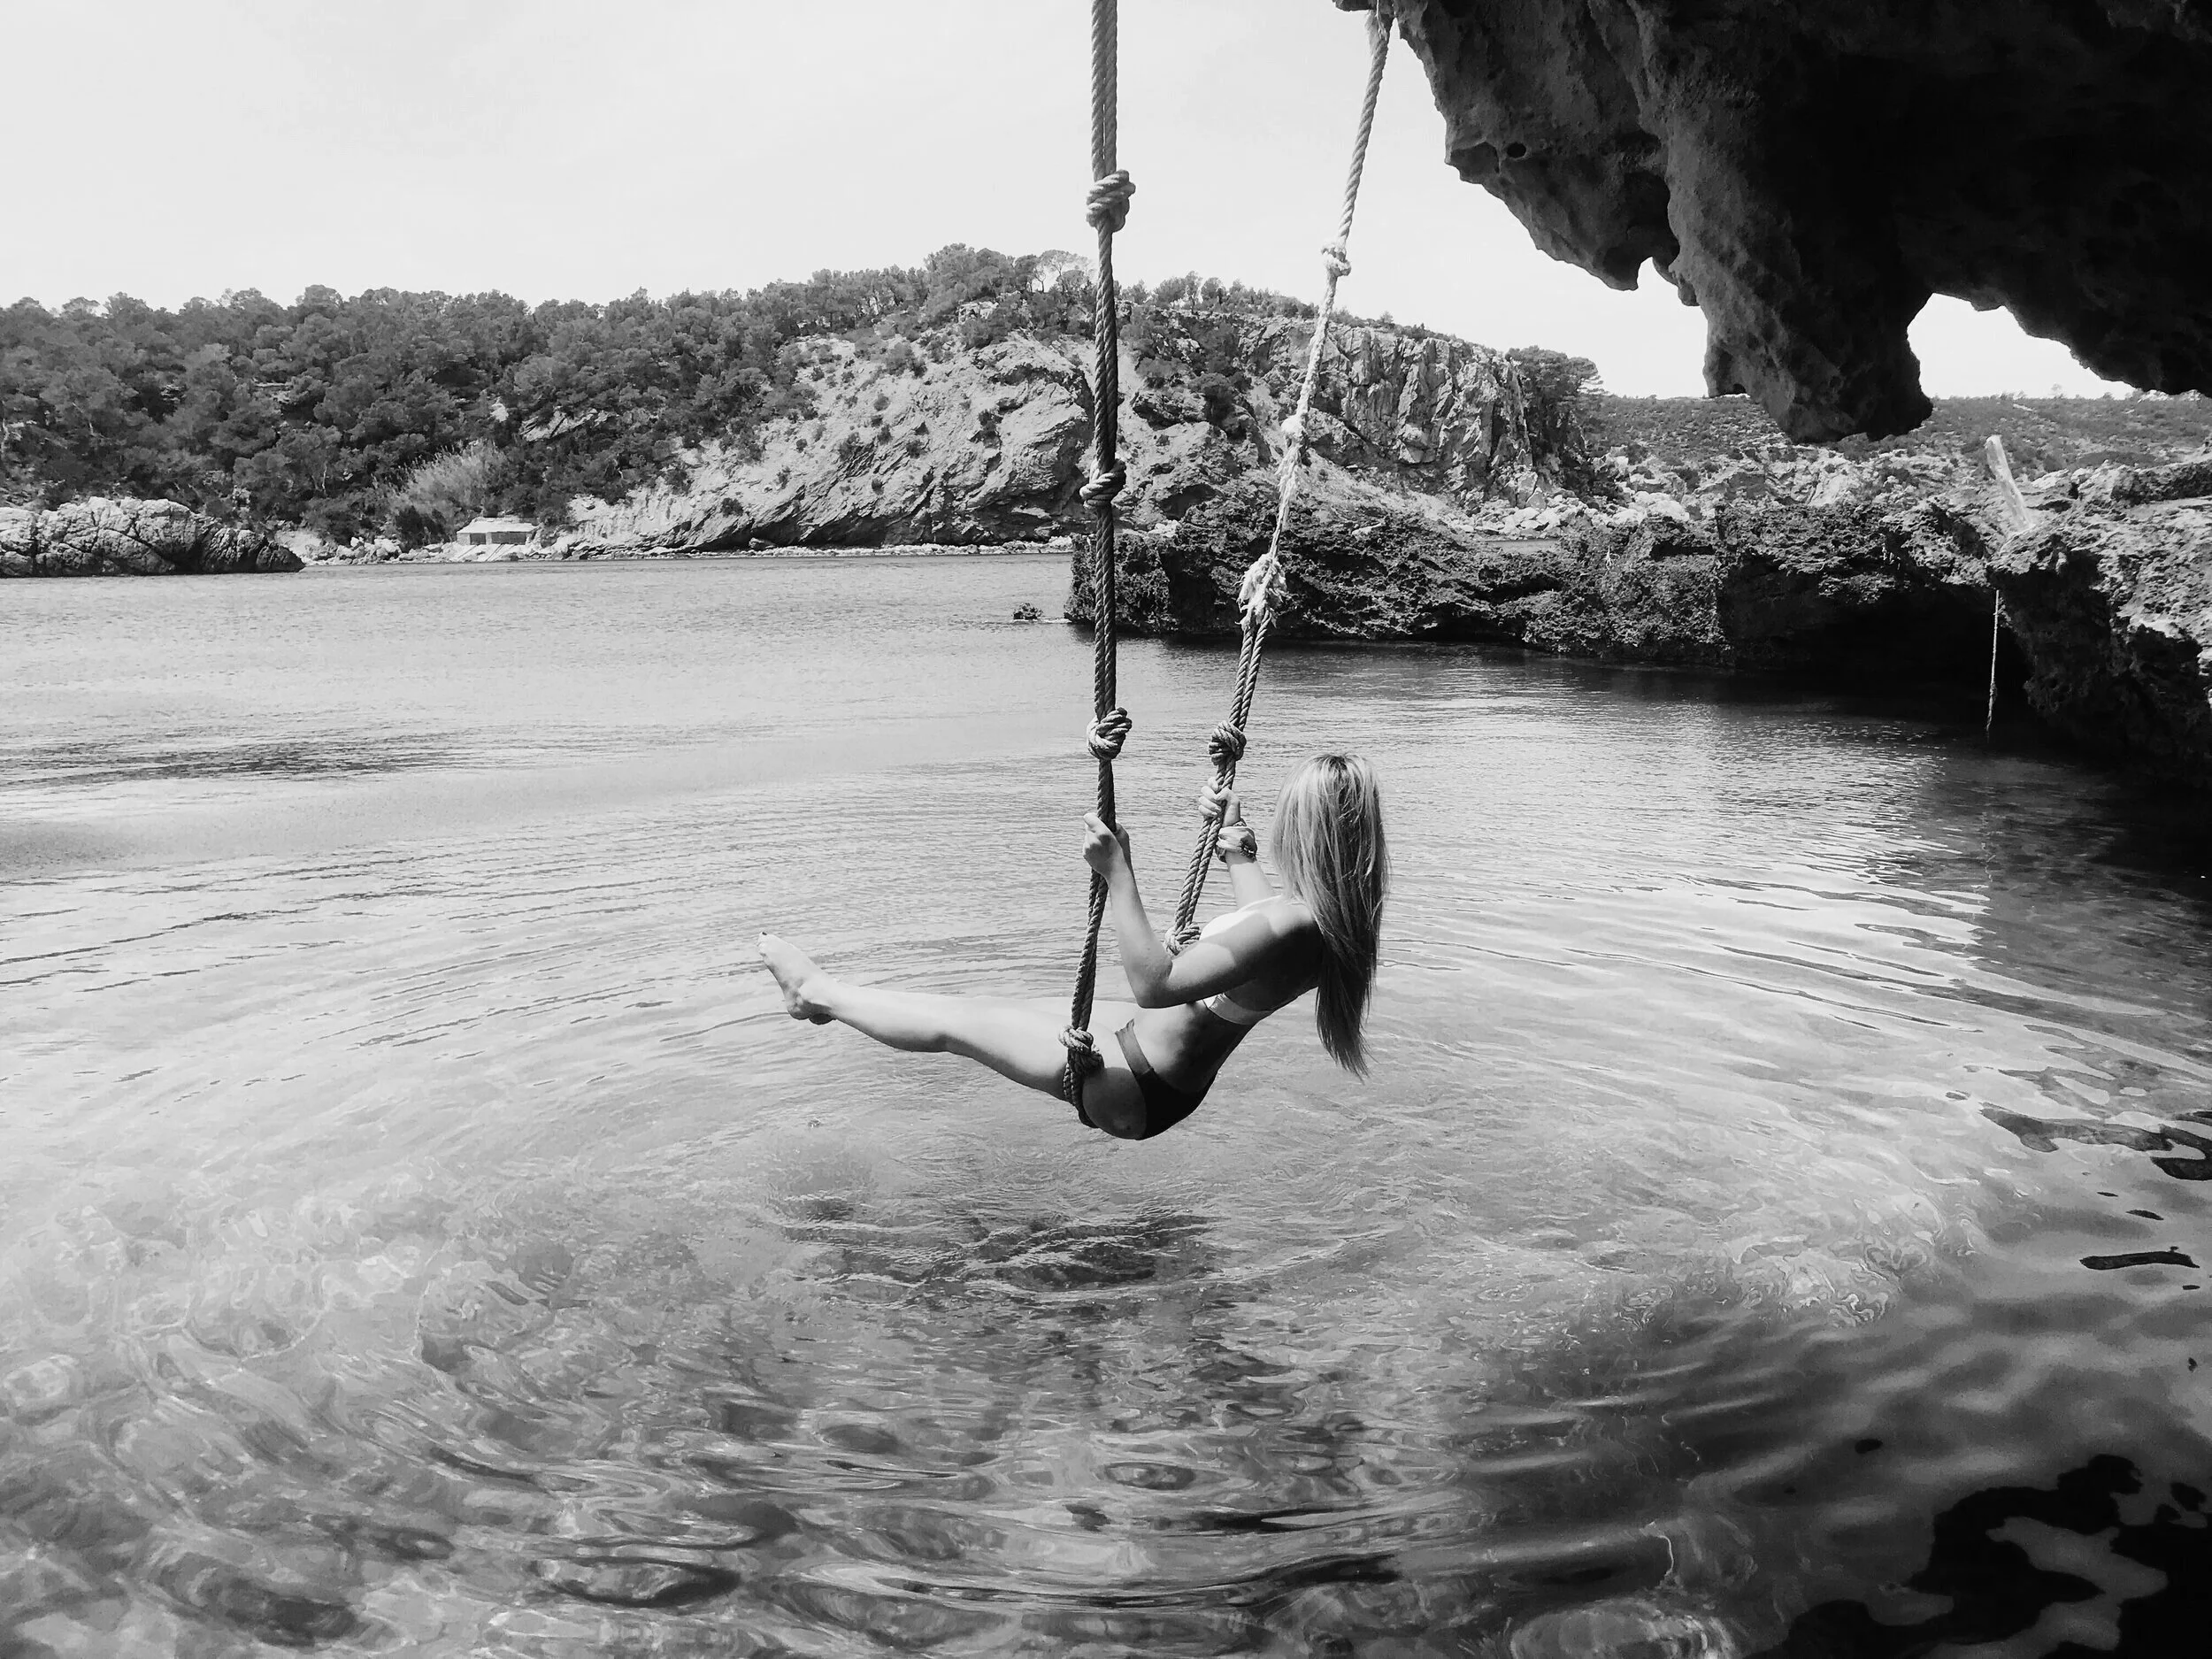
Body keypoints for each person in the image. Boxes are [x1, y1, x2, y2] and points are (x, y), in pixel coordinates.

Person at [758, 753, 1388, 1140]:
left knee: (955, 1022)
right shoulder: (1328, 924)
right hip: (1156, 1068)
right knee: (989, 1011)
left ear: (1304, 833)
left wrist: (1119, 872)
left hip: (1134, 1080)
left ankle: (815, 994)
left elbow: (1155, 984)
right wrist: (1236, 844)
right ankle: (824, 997)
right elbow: (1258, 924)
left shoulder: (1292, 925)